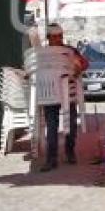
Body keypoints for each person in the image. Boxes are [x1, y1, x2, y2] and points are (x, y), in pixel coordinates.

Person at [41, 24, 88, 172]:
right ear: (48, 38)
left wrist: (77, 68)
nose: (59, 39)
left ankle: (69, 151)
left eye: (60, 35)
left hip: (67, 92)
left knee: (70, 123)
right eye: (55, 36)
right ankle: (52, 157)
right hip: (53, 93)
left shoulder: (69, 51)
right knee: (53, 125)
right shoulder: (41, 53)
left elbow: (84, 64)